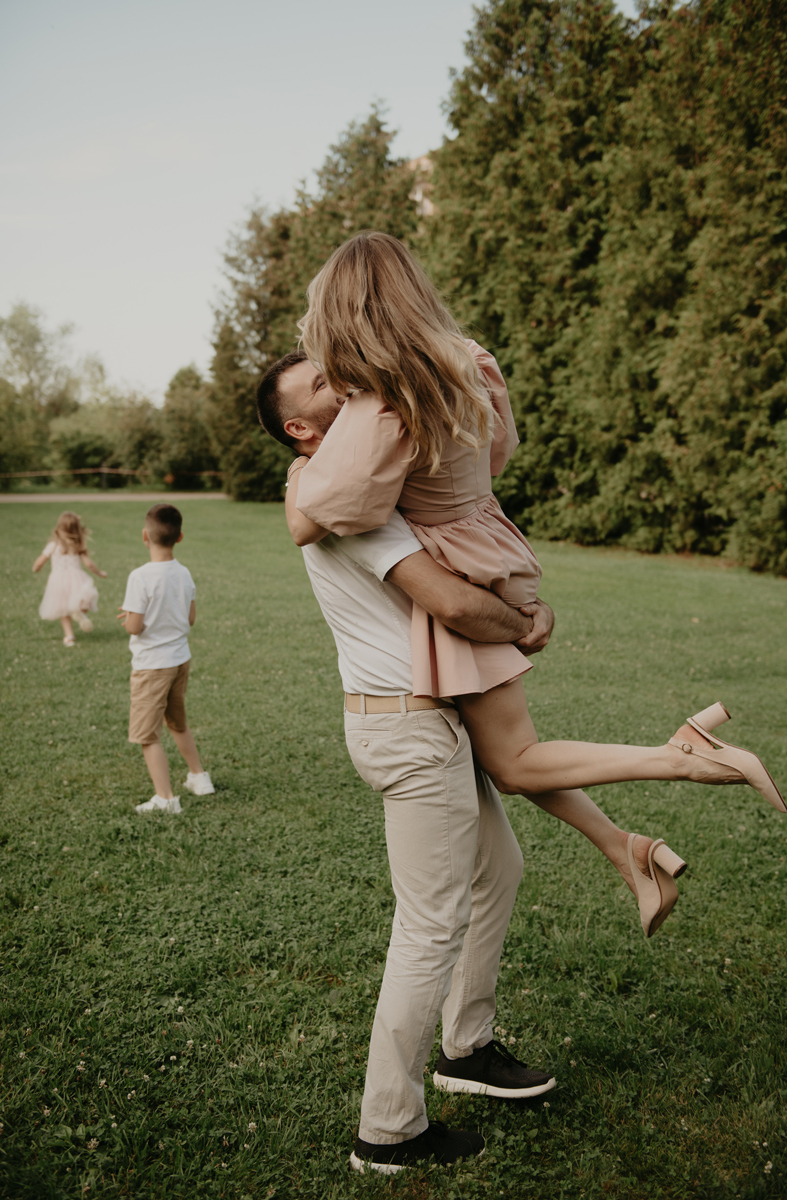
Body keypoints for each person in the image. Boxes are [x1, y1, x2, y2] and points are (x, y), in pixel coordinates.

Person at [257, 352, 682, 1174]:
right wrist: (522, 622)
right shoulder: (340, 501)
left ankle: (467, 1049)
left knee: (500, 871)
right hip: (411, 732)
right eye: (320, 387)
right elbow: (451, 603)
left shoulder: (358, 485)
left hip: (423, 720)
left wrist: (526, 604)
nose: (341, 384)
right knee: (428, 927)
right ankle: (389, 1130)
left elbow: (463, 574)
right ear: (300, 432)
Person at [286, 232, 783, 857]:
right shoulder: (470, 361)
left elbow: (319, 516)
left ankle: (680, 755)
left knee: (515, 761)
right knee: (505, 758)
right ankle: (629, 850)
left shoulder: (383, 403)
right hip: (495, 543)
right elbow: (500, 452)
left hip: (456, 570)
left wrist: (305, 466)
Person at [117, 503, 214, 814]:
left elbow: (135, 626)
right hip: (179, 661)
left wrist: (130, 619)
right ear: (180, 537)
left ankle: (166, 798)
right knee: (177, 723)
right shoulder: (184, 573)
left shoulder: (140, 577)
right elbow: (190, 618)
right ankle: (199, 778)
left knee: (148, 735)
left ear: (144, 536)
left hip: (151, 667)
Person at [32, 511, 107, 646]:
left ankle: (69, 636)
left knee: (64, 610)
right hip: (77, 578)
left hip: (58, 581)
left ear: (59, 528)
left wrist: (36, 568)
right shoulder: (77, 546)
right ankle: (80, 614)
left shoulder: (53, 545)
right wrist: (100, 573)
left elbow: (40, 561)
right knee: (84, 601)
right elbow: (89, 564)